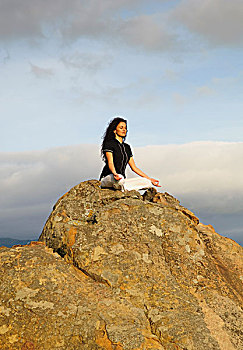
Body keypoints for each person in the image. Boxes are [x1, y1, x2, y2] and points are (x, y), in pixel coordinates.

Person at [99, 117, 161, 191]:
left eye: (125, 128)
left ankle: (123, 187)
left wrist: (150, 179)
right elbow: (110, 162)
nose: (124, 130)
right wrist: (115, 173)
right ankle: (124, 187)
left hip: (121, 179)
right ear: (115, 130)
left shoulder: (127, 147)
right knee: (120, 179)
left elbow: (134, 167)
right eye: (121, 128)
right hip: (109, 177)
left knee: (147, 183)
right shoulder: (109, 144)